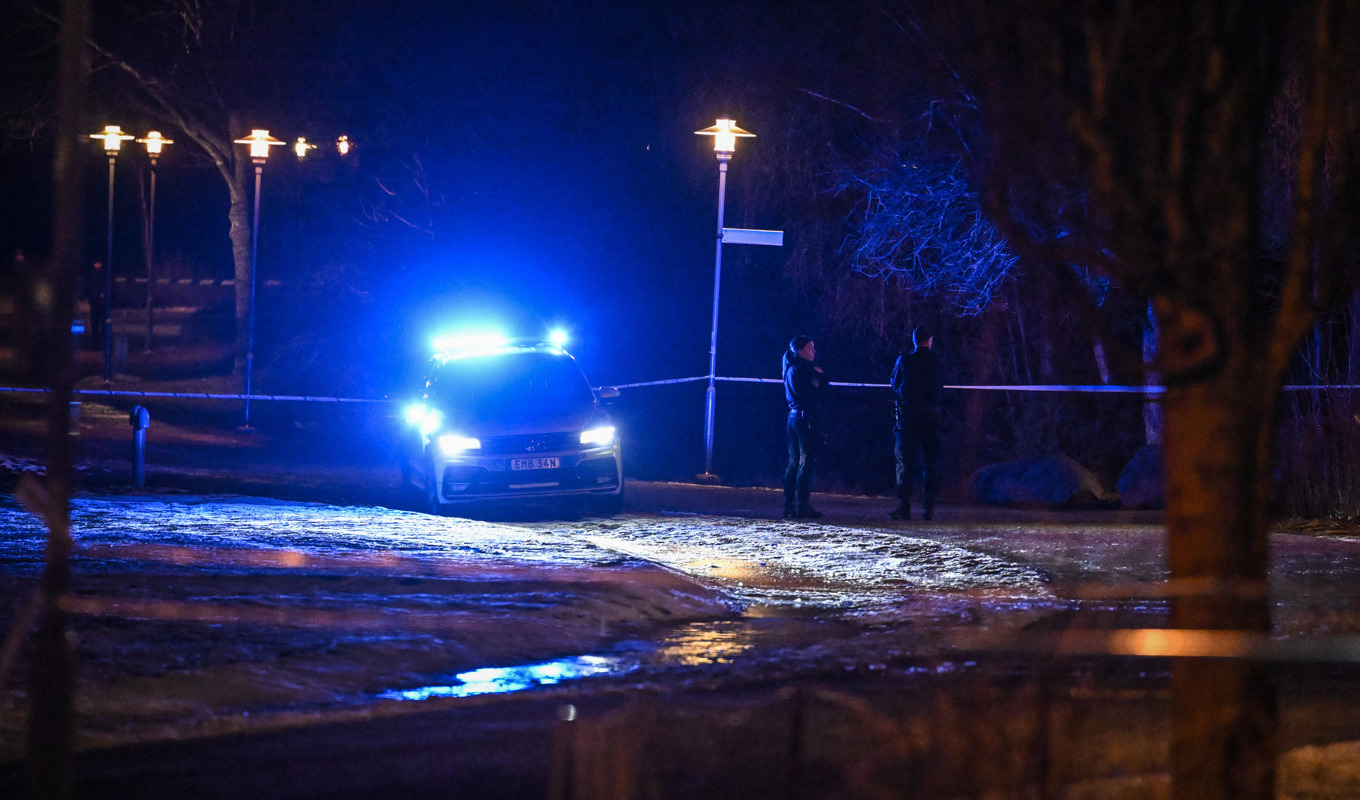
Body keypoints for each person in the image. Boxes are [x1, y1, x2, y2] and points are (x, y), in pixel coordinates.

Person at [889, 325, 942, 520]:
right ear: (929, 340)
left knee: (905, 463)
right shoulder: (936, 361)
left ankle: (904, 507)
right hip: (931, 418)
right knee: (931, 463)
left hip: (909, 418)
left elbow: (894, 385)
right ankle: (928, 508)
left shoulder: (904, 360)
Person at [782, 335, 825, 519]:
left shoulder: (791, 368)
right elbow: (816, 392)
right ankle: (802, 505)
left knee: (794, 463)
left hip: (793, 418)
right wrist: (820, 377)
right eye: (810, 348)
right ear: (800, 351)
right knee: (805, 463)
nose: (813, 351)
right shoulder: (802, 370)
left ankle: (789, 504)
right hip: (804, 419)